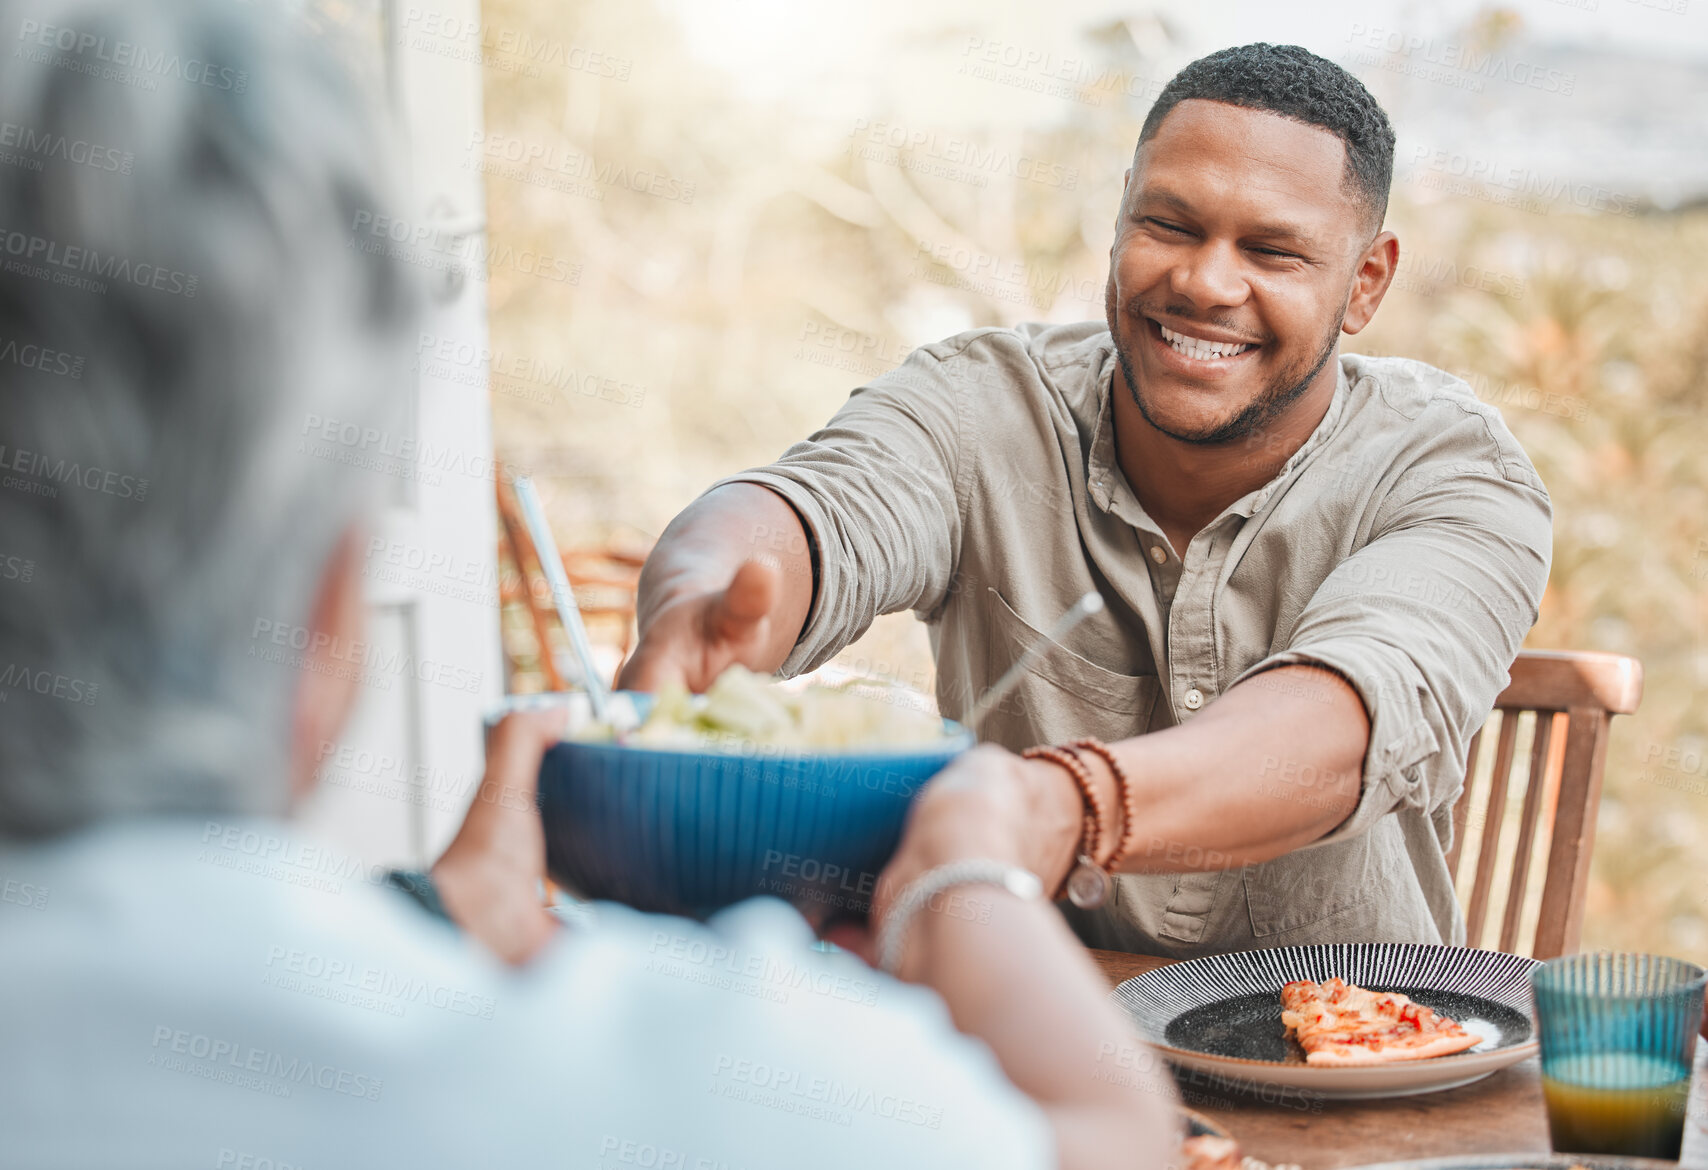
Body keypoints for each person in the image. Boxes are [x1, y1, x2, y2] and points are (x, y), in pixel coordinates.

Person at [0, 2, 1179, 1166]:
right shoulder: (711, 1091)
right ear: (326, 604)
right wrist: (965, 872)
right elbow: (1106, 1138)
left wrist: (438, 910)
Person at [619, 43, 1552, 958]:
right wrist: (701, 599)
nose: (1203, 282)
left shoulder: (1458, 476)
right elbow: (817, 505)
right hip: (1022, 1046)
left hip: (1357, 1067)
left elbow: (1345, 724)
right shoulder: (981, 402)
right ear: (1119, 221)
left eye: (1271, 251)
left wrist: (1063, 805)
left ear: (1367, 282)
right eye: (1171, 226)